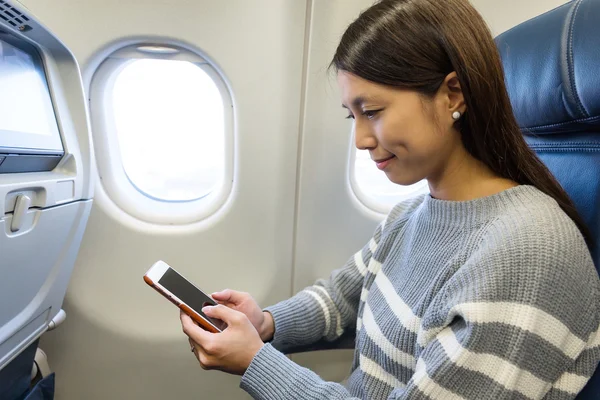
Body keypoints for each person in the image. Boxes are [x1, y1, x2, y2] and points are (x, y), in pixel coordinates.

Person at [180, 0, 600, 398]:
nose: (361, 139)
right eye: (353, 115)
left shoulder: (526, 252)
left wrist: (257, 362)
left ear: (453, 94)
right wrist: (266, 323)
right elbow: (344, 297)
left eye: (373, 111)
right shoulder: (413, 215)